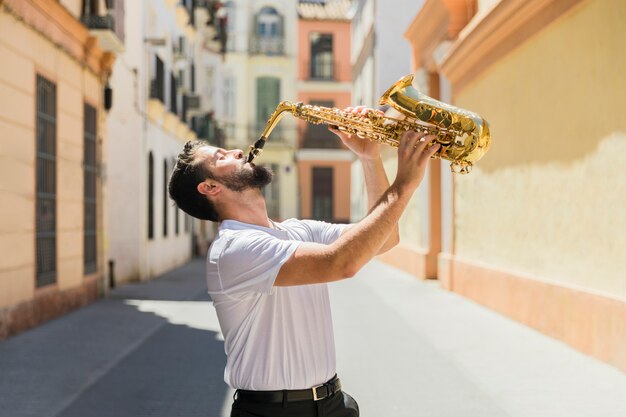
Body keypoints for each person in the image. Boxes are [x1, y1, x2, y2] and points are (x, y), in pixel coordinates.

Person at [168, 106, 440, 417]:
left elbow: (386, 238)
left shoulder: (297, 230)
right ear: (211, 187)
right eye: (221, 157)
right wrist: (403, 185)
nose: (238, 152)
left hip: (332, 403)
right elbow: (341, 263)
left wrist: (369, 158)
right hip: (272, 412)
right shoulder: (234, 248)